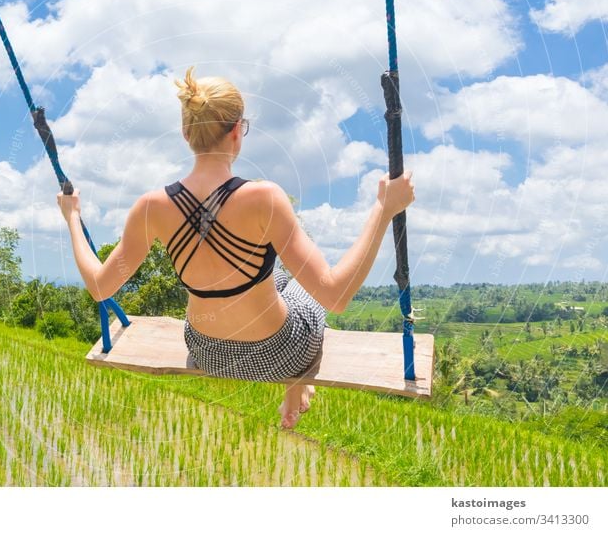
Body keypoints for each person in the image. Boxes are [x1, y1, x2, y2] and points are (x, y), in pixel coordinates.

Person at [57, 66, 415, 429]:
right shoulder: (264, 198)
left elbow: (101, 287)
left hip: (207, 352)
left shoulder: (150, 207)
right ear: (236, 132)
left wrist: (72, 217)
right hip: (282, 355)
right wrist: (383, 210)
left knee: (275, 272)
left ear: (185, 134)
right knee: (303, 290)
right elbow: (336, 296)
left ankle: (296, 379)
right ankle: (297, 380)